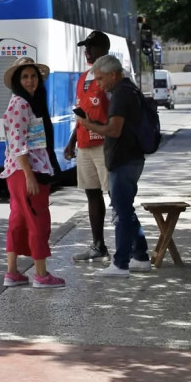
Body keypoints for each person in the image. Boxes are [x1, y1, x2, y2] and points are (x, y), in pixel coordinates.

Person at [77, 55, 150, 277]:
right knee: (125, 209)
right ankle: (141, 256)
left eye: (100, 79)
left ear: (113, 75)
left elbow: (114, 130)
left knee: (121, 211)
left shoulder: (120, 94)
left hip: (123, 159)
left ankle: (120, 264)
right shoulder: (130, 90)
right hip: (132, 157)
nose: (99, 84)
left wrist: (89, 124)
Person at [0, 57, 65, 288]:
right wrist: (29, 175)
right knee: (38, 220)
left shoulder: (27, 103)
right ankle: (41, 275)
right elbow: (18, 144)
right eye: (25, 76)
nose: (30, 81)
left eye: (33, 76)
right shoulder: (21, 105)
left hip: (20, 171)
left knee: (18, 220)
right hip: (27, 171)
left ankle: (13, 272)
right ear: (17, 80)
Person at [64, 31, 112, 262]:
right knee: (92, 195)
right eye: (86, 47)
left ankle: (131, 246)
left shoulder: (112, 77)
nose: (88, 51)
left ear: (105, 48)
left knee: (116, 195)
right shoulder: (83, 78)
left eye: (92, 47)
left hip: (106, 144)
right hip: (84, 144)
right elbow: (81, 114)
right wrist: (72, 141)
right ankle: (98, 245)